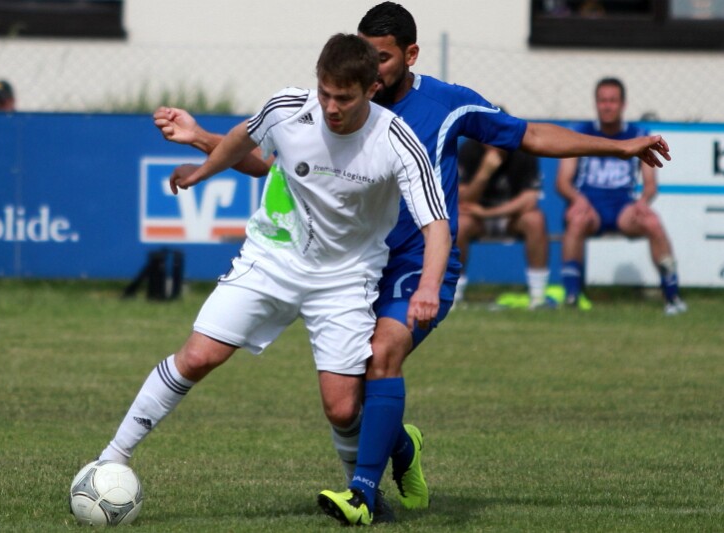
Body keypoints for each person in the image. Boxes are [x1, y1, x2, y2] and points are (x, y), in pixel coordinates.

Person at [154, 5, 671, 526]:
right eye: (364, 54)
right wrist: (201, 138)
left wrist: (620, 147)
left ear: (411, 55)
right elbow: (271, 164)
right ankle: (403, 446)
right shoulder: (341, 105)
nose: (370, 69)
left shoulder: (446, 105)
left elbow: (530, 135)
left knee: (383, 355)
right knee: (349, 396)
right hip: (353, 266)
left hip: (418, 262)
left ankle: (362, 494)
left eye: (382, 58)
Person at [96, 33, 452, 527]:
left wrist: (429, 286)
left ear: (372, 89)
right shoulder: (287, 108)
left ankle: (363, 488)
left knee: (343, 409)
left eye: (344, 97)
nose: (331, 107)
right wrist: (202, 171)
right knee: (197, 357)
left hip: (345, 279)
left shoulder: (396, 140)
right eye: (325, 92)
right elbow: (244, 139)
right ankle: (109, 460)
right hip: (271, 260)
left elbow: (437, 224)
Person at [556, 77, 686, 315]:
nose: (607, 106)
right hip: (590, 207)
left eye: (612, 101)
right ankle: (572, 295)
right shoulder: (580, 133)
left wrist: (642, 202)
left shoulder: (637, 135)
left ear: (623, 104)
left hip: (623, 207)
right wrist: (577, 199)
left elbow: (650, 185)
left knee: (652, 221)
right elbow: (563, 181)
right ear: (595, 103)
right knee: (576, 219)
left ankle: (672, 296)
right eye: (602, 101)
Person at [455, 137, 550, 309]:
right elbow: (463, 200)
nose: (493, 140)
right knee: (459, 223)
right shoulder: (469, 150)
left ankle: (538, 298)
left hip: (511, 217)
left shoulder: (523, 151)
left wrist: (488, 213)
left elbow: (530, 200)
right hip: (477, 219)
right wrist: (484, 173)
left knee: (535, 220)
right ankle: (454, 296)